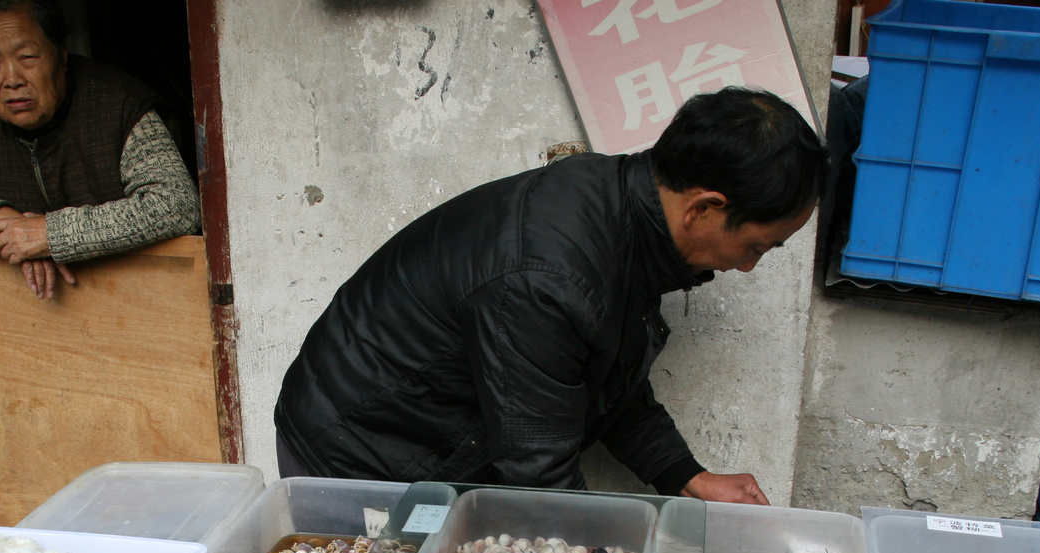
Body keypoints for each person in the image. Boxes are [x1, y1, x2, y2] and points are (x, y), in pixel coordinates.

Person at [274, 87, 829, 504]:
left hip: (429, 443)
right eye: (758, 246)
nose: (750, 266)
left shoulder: (625, 211)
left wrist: (685, 475)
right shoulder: (548, 276)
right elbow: (537, 471)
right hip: (358, 454)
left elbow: (605, 376)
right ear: (704, 208)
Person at [0, 0, 201, 299]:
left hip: (140, 303)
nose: (11, 79)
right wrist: (0, 222)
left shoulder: (116, 104)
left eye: (27, 57)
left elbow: (175, 203)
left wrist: (49, 234)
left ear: (61, 54)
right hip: (28, 320)